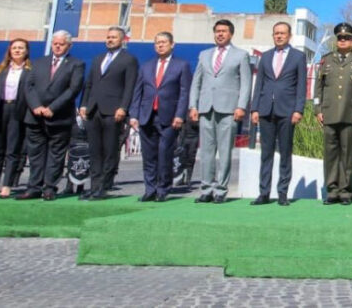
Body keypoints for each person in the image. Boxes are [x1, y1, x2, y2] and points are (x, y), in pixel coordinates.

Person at [18, 30, 85, 200]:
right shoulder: (38, 62)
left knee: (56, 155)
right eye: (55, 43)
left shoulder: (76, 64)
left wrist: (53, 108)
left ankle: (49, 188)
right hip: (35, 117)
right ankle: (34, 187)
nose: (57, 46)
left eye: (61, 44)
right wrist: (36, 106)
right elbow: (29, 86)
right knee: (35, 155)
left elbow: (73, 89)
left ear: (69, 46)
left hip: (59, 117)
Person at [189, 19, 251, 203]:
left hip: (228, 109)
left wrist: (241, 106)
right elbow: (196, 82)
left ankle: (221, 190)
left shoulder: (241, 55)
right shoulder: (204, 55)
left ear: (231, 34)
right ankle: (206, 189)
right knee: (206, 151)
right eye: (217, 31)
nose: (220, 34)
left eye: (224, 31)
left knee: (224, 151)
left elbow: (246, 84)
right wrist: (193, 105)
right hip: (206, 108)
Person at [128, 32, 192, 202]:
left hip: (169, 118)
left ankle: (163, 189)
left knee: (164, 154)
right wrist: (134, 115)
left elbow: (184, 92)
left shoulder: (181, 65)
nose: (160, 45)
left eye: (163, 42)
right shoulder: (146, 66)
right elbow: (138, 92)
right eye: (157, 43)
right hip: (147, 116)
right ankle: (150, 189)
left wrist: (180, 115)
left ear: (172, 44)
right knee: (148, 156)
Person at [314, 23, 352, 205]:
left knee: (348, 154)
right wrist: (317, 109)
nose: (343, 40)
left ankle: (346, 191)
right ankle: (332, 191)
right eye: (340, 38)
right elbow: (318, 88)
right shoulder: (326, 60)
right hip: (329, 112)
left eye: (347, 38)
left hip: (351, 113)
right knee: (330, 153)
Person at [251, 22, 307, 206]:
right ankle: (264, 193)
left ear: (289, 36)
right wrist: (255, 108)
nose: (279, 36)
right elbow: (259, 84)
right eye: (276, 33)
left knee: (285, 152)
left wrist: (298, 109)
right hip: (266, 110)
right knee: (265, 154)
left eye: (282, 33)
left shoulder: (298, 56)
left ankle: (282, 193)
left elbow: (301, 86)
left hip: (287, 111)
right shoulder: (266, 56)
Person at [79, 26, 138, 200]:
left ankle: (104, 186)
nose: (110, 40)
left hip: (113, 111)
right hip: (94, 110)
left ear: (122, 40)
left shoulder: (129, 60)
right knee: (94, 151)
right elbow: (89, 84)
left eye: (113, 37)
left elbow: (130, 86)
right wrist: (84, 104)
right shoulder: (98, 59)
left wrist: (123, 107)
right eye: (108, 37)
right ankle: (94, 186)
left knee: (110, 150)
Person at [0, 39, 31, 199]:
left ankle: (7, 185)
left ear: (26, 51)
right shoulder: (1, 69)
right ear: (9, 51)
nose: (17, 50)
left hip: (17, 111)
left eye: (20, 48)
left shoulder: (30, 70)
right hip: (0, 110)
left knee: (12, 150)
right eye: (14, 48)